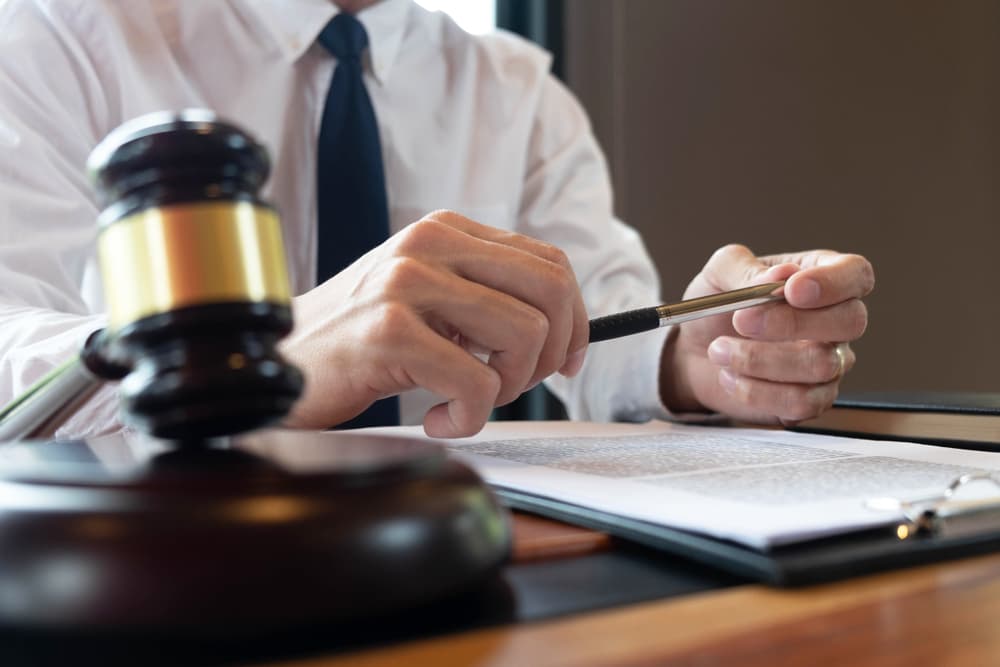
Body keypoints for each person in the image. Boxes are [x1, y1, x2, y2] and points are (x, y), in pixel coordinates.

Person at [0, 0, 873, 439]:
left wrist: (700, 356)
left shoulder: (519, 91)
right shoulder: (57, 38)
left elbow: (601, 336)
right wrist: (262, 361)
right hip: (175, 566)